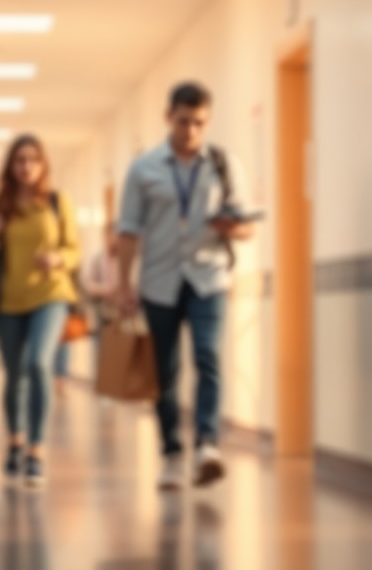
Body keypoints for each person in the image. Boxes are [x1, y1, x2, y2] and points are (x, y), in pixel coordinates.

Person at [115, 81, 255, 492]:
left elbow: (246, 225)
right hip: (159, 280)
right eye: (183, 121)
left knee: (209, 357)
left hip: (208, 277)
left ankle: (208, 445)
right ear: (167, 117)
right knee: (166, 370)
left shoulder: (224, 165)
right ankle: (172, 453)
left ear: (207, 121)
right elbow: (127, 230)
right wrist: (124, 284)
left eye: (199, 123)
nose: (190, 131)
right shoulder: (144, 169)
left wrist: (234, 227)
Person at [0, 134, 80, 487]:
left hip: (51, 294)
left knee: (39, 364)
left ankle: (36, 450)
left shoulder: (58, 202)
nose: (27, 166)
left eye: (34, 159)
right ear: (10, 166)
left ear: (43, 164)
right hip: (8, 301)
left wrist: (58, 258)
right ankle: (15, 439)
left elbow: (74, 249)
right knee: (14, 374)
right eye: (20, 160)